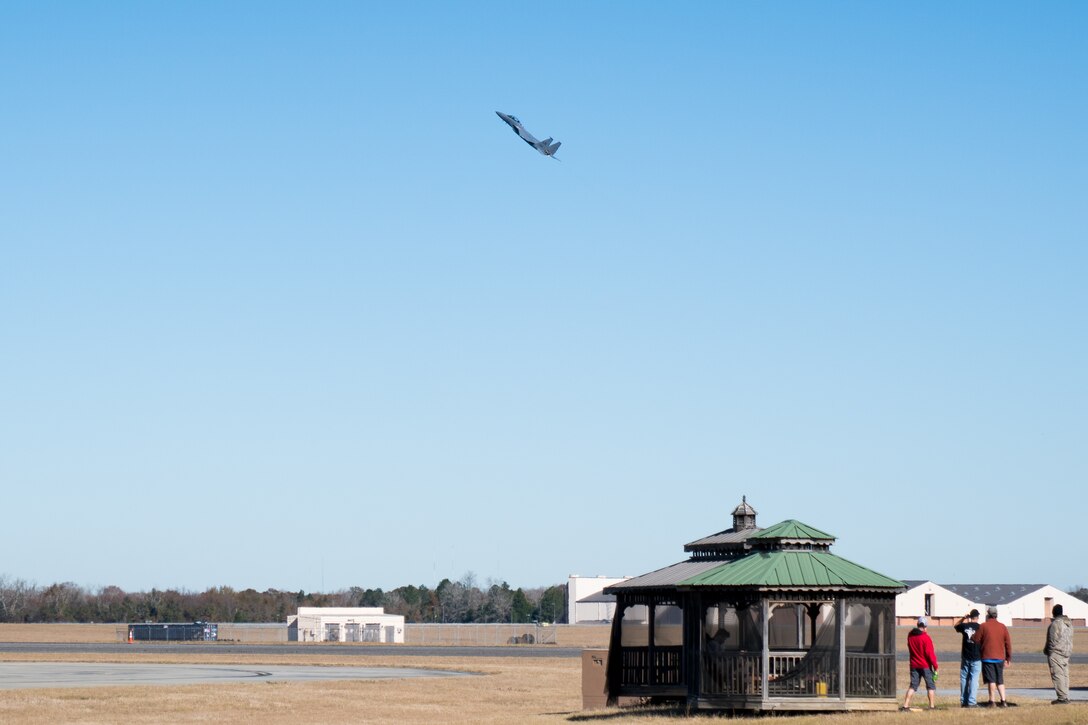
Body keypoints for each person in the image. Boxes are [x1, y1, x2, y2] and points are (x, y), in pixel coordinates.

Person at [972, 605, 1012, 707]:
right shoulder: (1002, 626)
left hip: (988, 657)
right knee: (1000, 680)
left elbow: (975, 639)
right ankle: (1003, 700)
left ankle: (992, 701)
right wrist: (1008, 658)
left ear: (988, 615)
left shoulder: (983, 626)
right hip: (1000, 658)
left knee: (991, 680)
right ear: (996, 615)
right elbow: (1008, 643)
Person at [902, 617, 939, 710]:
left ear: (917, 625)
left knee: (913, 686)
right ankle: (931, 706)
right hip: (925, 665)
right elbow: (930, 654)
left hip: (914, 665)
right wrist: (935, 666)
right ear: (925, 626)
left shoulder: (910, 636)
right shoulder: (926, 638)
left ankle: (905, 705)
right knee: (930, 686)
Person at [1044, 603, 1073, 705]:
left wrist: (1049, 650)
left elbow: (1052, 640)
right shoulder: (1068, 624)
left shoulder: (1055, 624)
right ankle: (1065, 695)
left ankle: (1061, 698)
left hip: (1056, 652)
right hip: (1066, 652)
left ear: (1054, 613)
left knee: (1057, 674)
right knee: (1065, 674)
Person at [954, 609, 982, 707]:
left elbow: (956, 626)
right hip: (976, 656)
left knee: (964, 678)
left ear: (970, 617)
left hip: (965, 656)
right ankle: (972, 701)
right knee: (974, 679)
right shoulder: (980, 627)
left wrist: (963, 619)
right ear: (977, 617)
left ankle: (963, 701)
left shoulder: (965, 626)